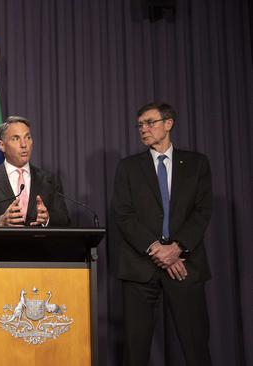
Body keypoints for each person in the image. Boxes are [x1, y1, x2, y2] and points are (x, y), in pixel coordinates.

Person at [111, 102, 212, 366]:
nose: (143, 129)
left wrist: (177, 248)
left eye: (150, 122)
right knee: (135, 350)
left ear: (168, 124)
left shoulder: (196, 163)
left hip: (185, 264)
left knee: (196, 344)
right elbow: (123, 214)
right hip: (140, 267)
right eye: (140, 125)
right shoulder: (128, 167)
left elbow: (203, 211)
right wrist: (157, 248)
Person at [0, 116, 70, 228]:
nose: (24, 145)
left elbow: (65, 220)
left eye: (28, 137)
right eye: (16, 139)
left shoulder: (49, 180)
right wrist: (0, 221)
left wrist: (48, 218)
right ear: (2, 145)